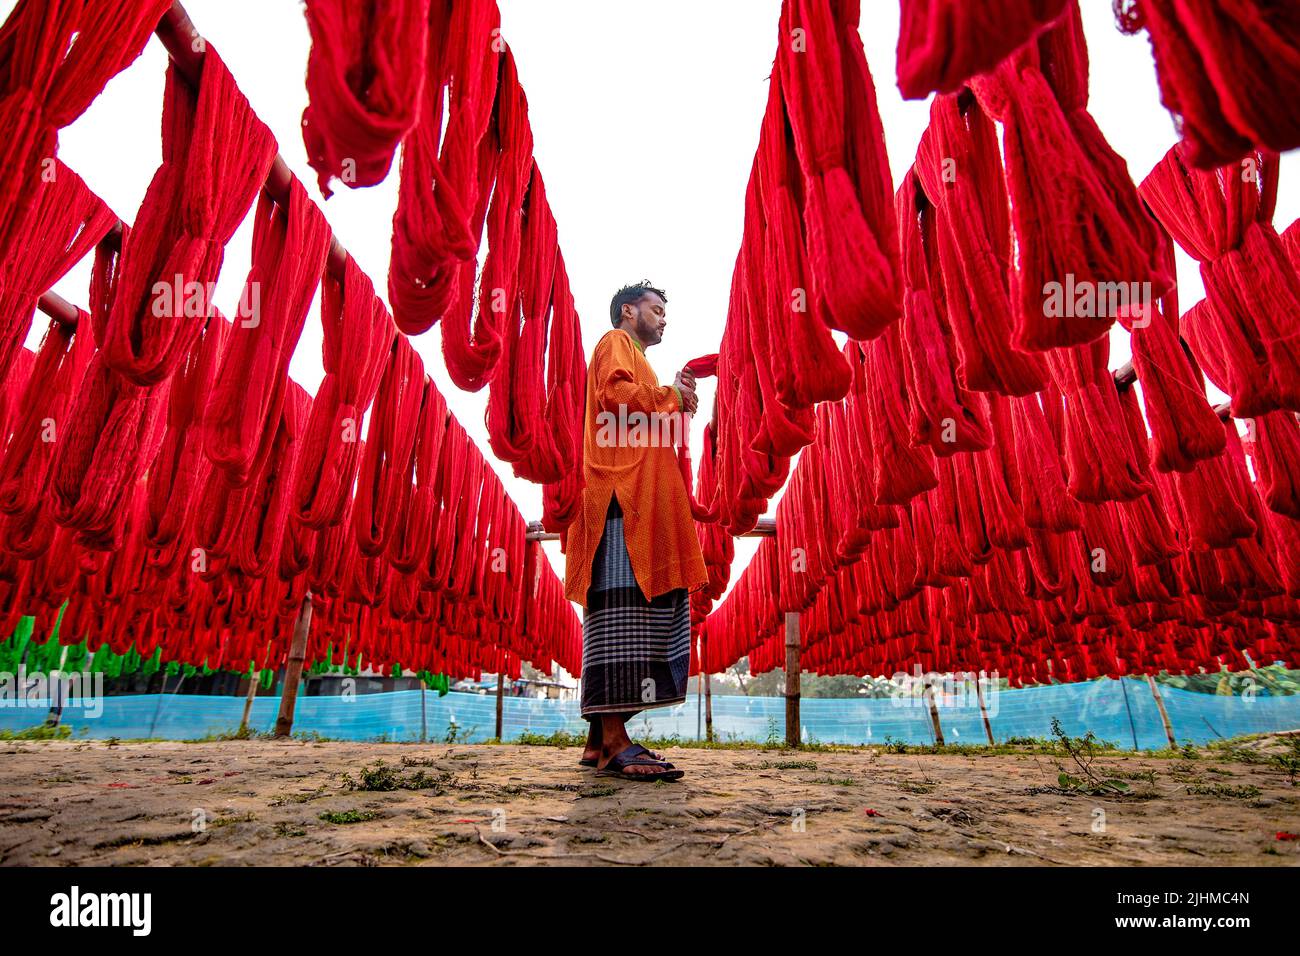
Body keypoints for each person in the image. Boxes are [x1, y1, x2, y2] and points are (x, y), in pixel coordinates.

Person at [562, 281, 708, 781]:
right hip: (622, 504)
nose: (664, 318)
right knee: (621, 613)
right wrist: (670, 395)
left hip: (641, 501)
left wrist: (678, 403)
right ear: (629, 311)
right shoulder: (614, 343)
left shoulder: (638, 359)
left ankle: (595, 744)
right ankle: (615, 742)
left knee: (637, 612)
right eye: (656, 309)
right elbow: (617, 398)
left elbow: (642, 426)